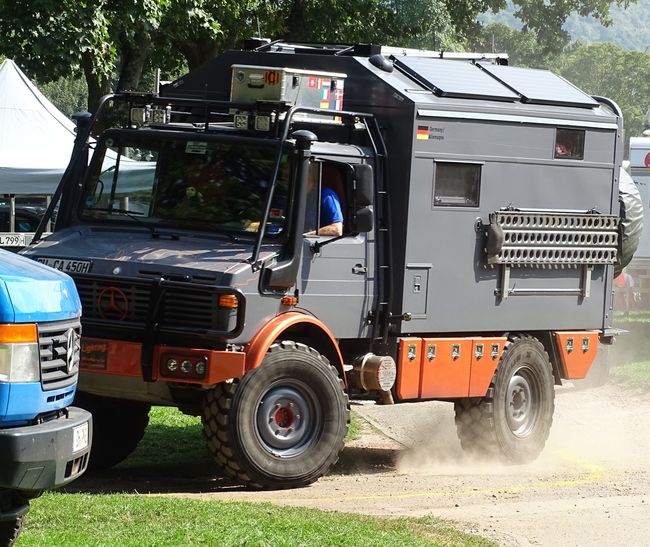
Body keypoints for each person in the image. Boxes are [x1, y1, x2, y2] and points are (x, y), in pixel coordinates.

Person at [304, 164, 344, 236]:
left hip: (313, 244)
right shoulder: (296, 195)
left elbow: (336, 229)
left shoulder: (326, 195)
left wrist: (304, 236)